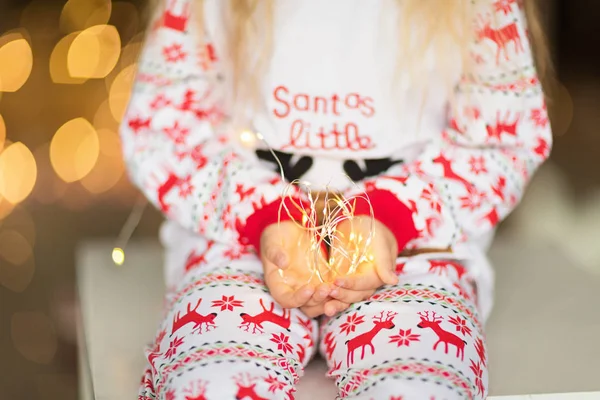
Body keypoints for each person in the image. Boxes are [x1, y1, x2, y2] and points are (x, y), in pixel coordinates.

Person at [121, 0, 552, 398]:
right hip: (240, 247)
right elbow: (164, 128)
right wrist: (268, 212)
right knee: (211, 379)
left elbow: (500, 139)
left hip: (415, 253)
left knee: (419, 384)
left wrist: (388, 215)